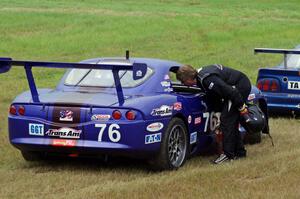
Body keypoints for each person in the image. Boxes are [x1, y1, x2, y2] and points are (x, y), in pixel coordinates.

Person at [176, 64, 251, 164]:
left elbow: (230, 92)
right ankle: (240, 152)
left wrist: (241, 106)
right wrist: (217, 111)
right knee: (229, 119)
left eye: (183, 81)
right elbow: (214, 96)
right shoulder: (200, 79)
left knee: (227, 120)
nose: (183, 84)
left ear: (188, 77)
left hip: (239, 87)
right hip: (234, 88)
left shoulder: (207, 79)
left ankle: (228, 155)